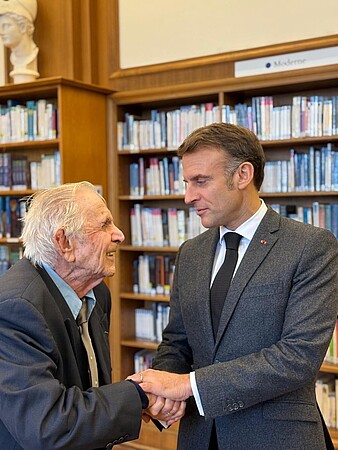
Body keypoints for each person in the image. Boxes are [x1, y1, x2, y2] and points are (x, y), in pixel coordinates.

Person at [129, 123, 338, 449]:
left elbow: (297, 358)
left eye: (201, 181)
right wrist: (157, 391)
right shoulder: (191, 253)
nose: (188, 197)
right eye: (187, 183)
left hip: (275, 439)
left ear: (243, 175)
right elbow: (177, 343)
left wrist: (188, 386)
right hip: (199, 436)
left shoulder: (310, 246)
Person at [0, 181, 184, 450]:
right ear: (64, 242)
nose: (119, 235)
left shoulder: (97, 293)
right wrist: (139, 395)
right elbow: (49, 426)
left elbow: (92, 386)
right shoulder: (14, 308)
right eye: (104, 225)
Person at [0, 0, 39, 83]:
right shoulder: (14, 60)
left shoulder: (31, 56)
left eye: (6, 26)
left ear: (23, 27)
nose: (1, 32)